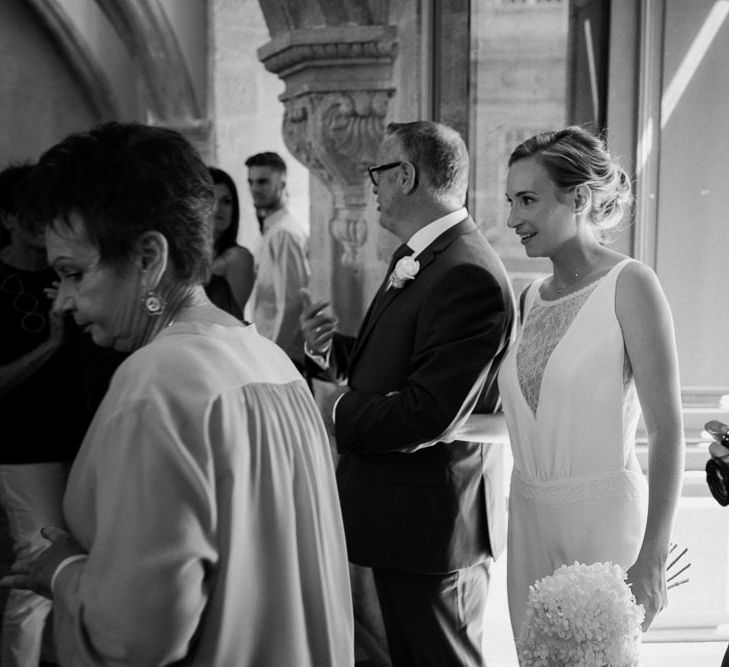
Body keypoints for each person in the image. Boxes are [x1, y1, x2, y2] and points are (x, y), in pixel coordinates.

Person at [0, 122, 354, 666]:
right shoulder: (269, 358)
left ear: (148, 258)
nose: (64, 302)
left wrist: (64, 570)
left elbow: (134, 640)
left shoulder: (157, 383)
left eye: (73, 273)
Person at [301, 120, 516, 666]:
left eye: (377, 170)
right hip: (401, 521)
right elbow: (404, 368)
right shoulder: (422, 258)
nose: (370, 183)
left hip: (433, 531)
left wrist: (334, 406)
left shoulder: (468, 273)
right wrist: (334, 354)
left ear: (406, 175)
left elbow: (429, 415)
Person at [498, 126, 685, 639]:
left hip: (603, 528)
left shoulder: (632, 285)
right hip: (529, 520)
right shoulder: (530, 297)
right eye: (511, 201)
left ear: (578, 198)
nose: (513, 218)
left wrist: (652, 558)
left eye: (528, 200)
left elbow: (667, 431)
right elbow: (524, 416)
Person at [0, 162, 86, 667]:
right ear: (8, 218)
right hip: (21, 447)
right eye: (30, 211)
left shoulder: (65, 275)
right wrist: (51, 344)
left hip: (75, 439)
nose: (43, 220)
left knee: (76, 564)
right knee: (36, 571)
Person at [246, 151, 310, 370]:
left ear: (282, 183)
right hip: (266, 349)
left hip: (281, 358)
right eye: (251, 182)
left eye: (263, 181)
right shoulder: (270, 230)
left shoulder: (283, 234)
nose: (255, 189)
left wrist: (273, 359)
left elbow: (291, 303)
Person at [204, 166, 254, 319]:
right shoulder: (186, 257)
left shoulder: (237, 257)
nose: (217, 208)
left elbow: (232, 319)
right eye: (210, 199)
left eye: (226, 201)